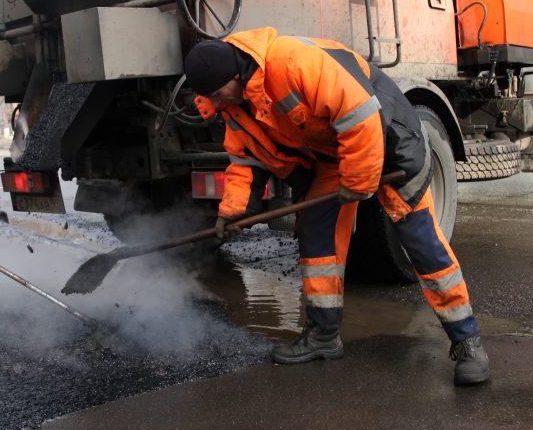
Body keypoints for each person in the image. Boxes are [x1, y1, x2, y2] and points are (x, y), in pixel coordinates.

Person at [183, 27, 490, 386]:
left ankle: (468, 342)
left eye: (219, 93)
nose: (217, 103)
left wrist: (357, 184)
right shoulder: (235, 106)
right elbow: (244, 162)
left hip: (391, 141)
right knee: (317, 236)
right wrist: (233, 211)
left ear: (236, 75)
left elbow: (360, 117)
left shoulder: (292, 61)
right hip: (333, 156)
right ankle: (323, 336)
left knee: (419, 240)